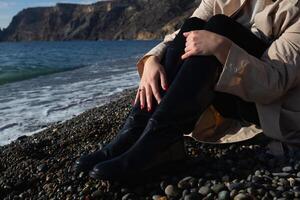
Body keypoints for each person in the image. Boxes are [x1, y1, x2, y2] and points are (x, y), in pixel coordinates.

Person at [75, 0, 300, 180]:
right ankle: (136, 132)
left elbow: (274, 83)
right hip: (229, 93)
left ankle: (159, 139)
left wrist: (222, 47)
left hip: (269, 106)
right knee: (194, 26)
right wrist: (152, 59)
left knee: (220, 26)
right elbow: (181, 35)